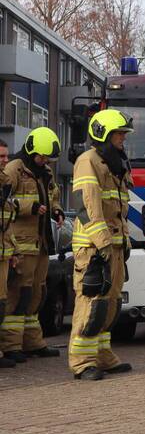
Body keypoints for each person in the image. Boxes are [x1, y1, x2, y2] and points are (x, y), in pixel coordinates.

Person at [67, 109, 135, 381]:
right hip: (94, 249)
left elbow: (119, 208)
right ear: (104, 134)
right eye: (119, 134)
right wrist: (104, 243)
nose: (123, 139)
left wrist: (123, 241)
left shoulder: (113, 162)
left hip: (114, 246)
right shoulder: (88, 161)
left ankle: (103, 355)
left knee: (111, 303)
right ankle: (82, 362)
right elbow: (88, 206)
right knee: (92, 305)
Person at [0, 128, 63, 362]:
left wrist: (56, 210)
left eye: (47, 158)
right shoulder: (14, 169)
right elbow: (5, 200)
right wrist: (31, 208)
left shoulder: (44, 172)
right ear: (31, 150)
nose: (45, 161)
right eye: (42, 157)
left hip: (41, 243)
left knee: (38, 292)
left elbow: (54, 194)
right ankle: (11, 345)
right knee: (19, 293)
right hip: (22, 243)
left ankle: (33, 342)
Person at [0, 140, 17, 369]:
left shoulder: (5, 183)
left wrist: (14, 251)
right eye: (1, 157)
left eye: (5, 156)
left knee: (2, 303)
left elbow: (8, 224)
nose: (5, 161)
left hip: (3, 254)